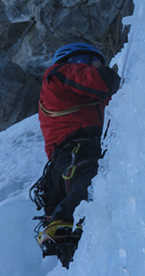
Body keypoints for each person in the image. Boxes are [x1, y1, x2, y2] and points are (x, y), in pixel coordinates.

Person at [30, 42, 120, 255]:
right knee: (93, 185)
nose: (96, 66)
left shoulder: (88, 100)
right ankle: (65, 216)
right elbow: (104, 80)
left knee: (73, 248)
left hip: (61, 171)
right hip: (77, 155)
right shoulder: (56, 76)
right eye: (91, 62)